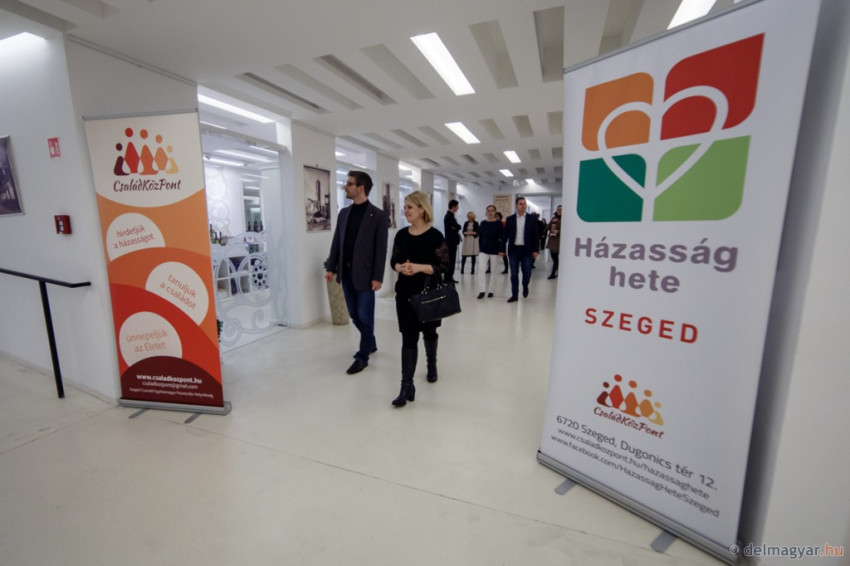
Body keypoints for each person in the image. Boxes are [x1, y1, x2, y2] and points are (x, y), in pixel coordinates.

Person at [324, 171, 389, 375]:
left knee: (364, 315)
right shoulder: (344, 213)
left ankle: (363, 356)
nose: (345, 186)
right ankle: (371, 341)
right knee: (354, 315)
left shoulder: (378, 216)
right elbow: (337, 242)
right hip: (346, 273)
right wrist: (331, 267)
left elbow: (381, 249)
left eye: (349, 184)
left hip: (366, 276)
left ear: (360, 188)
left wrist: (378, 277)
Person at [390, 191, 449, 407]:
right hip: (404, 294)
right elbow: (394, 261)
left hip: (428, 295)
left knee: (430, 332)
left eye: (409, 207)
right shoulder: (401, 235)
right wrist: (401, 267)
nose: (405, 211)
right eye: (405, 207)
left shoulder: (436, 236)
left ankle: (431, 363)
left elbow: (443, 266)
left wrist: (418, 267)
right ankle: (406, 385)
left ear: (422, 209)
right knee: (408, 337)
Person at [500, 196, 539, 303]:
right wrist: (502, 249)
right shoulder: (510, 219)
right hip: (513, 250)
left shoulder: (532, 219)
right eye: (521, 204)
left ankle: (525, 285)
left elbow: (536, 236)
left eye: (524, 204)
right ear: (516, 206)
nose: (523, 206)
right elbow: (505, 236)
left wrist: (536, 250)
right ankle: (514, 294)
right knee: (513, 274)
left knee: (527, 272)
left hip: (527, 251)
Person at [477, 205, 503, 299]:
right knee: (481, 269)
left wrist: (501, 250)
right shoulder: (483, 223)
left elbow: (502, 238)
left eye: (492, 210)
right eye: (488, 210)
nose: (490, 212)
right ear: (486, 212)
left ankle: (491, 290)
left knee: (494, 270)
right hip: (483, 250)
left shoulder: (498, 223)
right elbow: (480, 237)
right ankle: (482, 290)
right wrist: (480, 248)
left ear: (495, 212)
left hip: (495, 250)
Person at [443, 199, 461, 283]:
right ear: (453, 206)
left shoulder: (451, 216)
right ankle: (448, 277)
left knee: (452, 259)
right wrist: (456, 227)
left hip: (452, 241)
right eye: (457, 206)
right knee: (450, 260)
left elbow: (457, 227)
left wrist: (456, 227)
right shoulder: (449, 216)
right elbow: (456, 226)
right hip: (450, 241)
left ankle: (450, 277)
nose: (458, 208)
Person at [547, 205, 562, 279]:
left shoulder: (565, 218)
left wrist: (558, 231)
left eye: (561, 210)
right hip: (552, 241)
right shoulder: (554, 218)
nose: (559, 211)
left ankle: (553, 274)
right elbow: (547, 227)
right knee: (554, 258)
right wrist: (552, 222)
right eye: (558, 209)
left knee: (556, 259)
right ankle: (556, 273)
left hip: (558, 242)